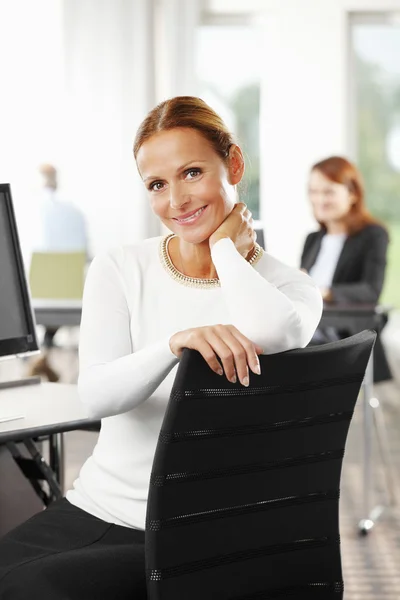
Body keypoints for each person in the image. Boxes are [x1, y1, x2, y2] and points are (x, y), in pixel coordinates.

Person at [0, 96, 322, 599]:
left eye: (192, 172)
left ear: (233, 164)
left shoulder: (287, 288)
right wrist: (174, 345)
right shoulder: (120, 267)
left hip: (199, 534)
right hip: (101, 507)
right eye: (157, 184)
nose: (176, 201)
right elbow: (98, 396)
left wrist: (226, 252)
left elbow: (275, 332)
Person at [301, 156, 391, 381]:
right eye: (313, 191)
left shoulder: (373, 235)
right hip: (312, 327)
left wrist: (324, 291)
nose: (318, 199)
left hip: (346, 333)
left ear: (352, 194)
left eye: (328, 191)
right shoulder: (313, 239)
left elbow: (371, 290)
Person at [27, 164, 88, 380]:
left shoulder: (29, 211)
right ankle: (46, 349)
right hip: (70, 299)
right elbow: (86, 255)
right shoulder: (75, 212)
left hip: (35, 300)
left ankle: (41, 353)